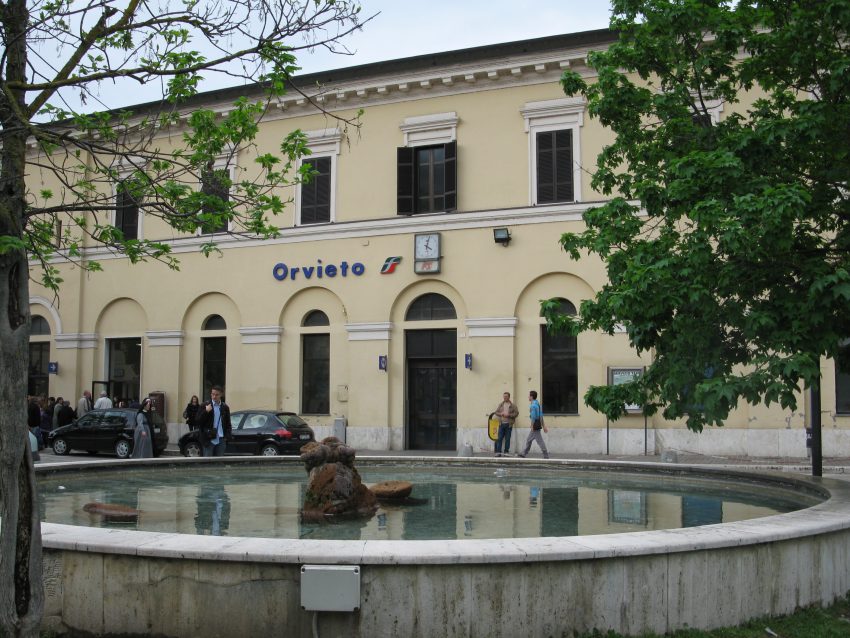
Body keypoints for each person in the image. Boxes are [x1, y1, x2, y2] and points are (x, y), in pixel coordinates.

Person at [195, 385, 232, 457]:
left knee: (219, 463)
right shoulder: (205, 405)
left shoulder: (225, 407)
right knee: (207, 463)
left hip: (221, 439)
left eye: (217, 395)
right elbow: (198, 421)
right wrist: (206, 411)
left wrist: (227, 437)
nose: (214, 396)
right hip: (209, 439)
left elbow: (228, 424)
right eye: (213, 394)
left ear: (221, 395)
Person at [518, 390, 549, 459]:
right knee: (529, 440)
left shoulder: (533, 406)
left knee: (539, 441)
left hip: (535, 425)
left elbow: (533, 417)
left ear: (531, 397)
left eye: (529, 396)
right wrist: (544, 426)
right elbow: (541, 416)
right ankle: (524, 453)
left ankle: (546, 455)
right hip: (537, 424)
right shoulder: (538, 404)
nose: (528, 397)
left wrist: (532, 426)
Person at [493, 391, 519, 457]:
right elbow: (496, 412)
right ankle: (498, 452)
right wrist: (500, 414)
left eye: (506, 396)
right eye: (504, 396)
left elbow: (516, 413)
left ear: (509, 397)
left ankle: (506, 452)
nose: (504, 398)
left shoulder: (513, 405)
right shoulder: (501, 404)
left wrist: (509, 415)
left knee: (507, 439)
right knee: (499, 438)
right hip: (501, 424)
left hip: (509, 424)